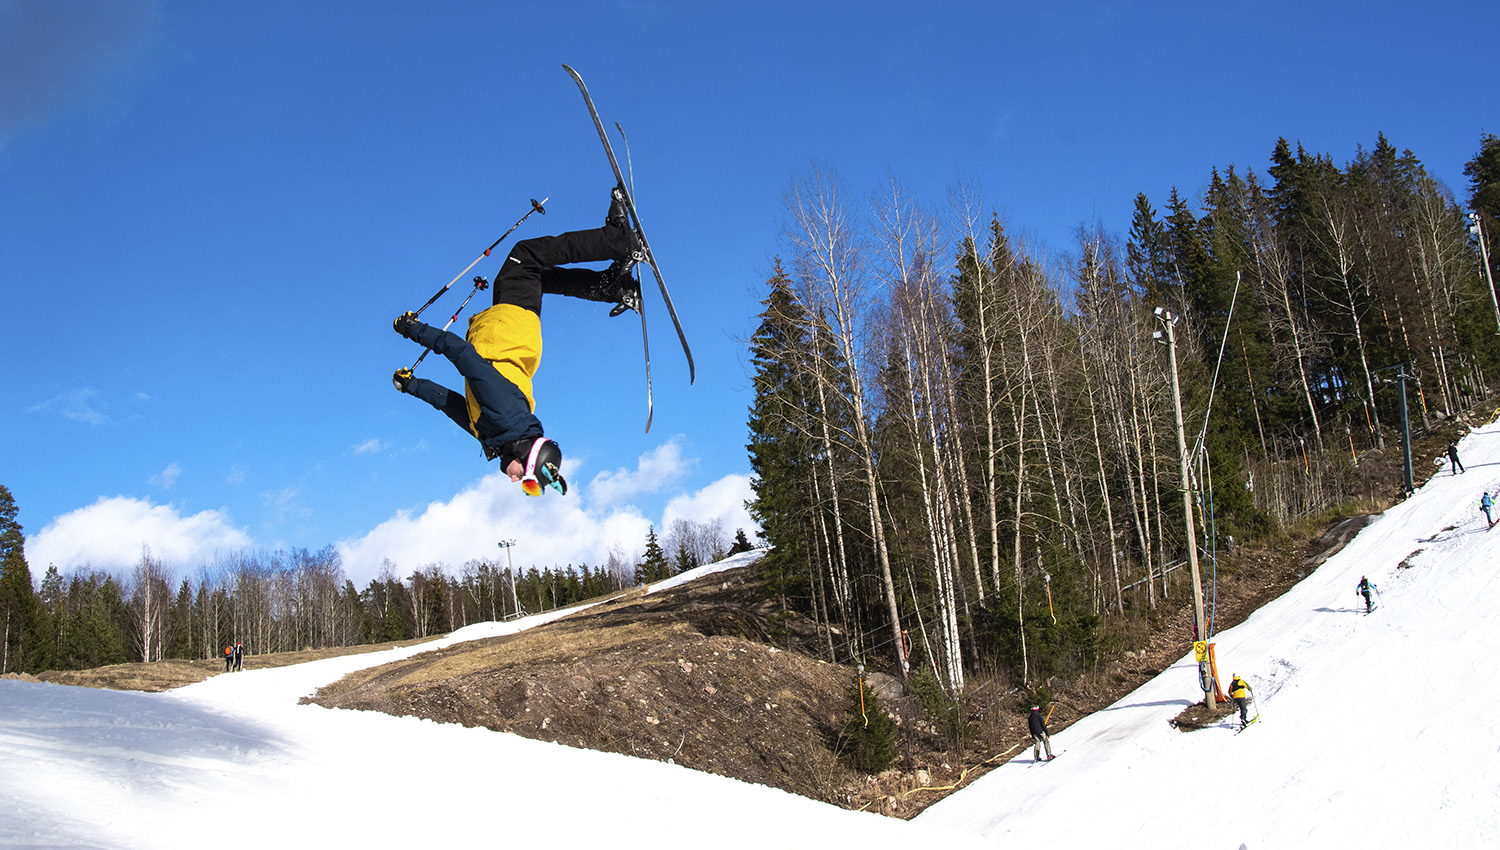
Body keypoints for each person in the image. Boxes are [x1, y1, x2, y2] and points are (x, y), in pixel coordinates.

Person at [392, 188, 642, 496]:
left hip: (512, 331)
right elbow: (461, 355)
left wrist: (412, 385)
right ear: (525, 455)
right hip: (507, 329)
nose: (514, 480)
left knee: (536, 274)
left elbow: (450, 404)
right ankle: (617, 239)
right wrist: (414, 329)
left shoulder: (492, 433)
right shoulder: (505, 413)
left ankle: (611, 287)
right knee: (526, 255)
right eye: (524, 478)